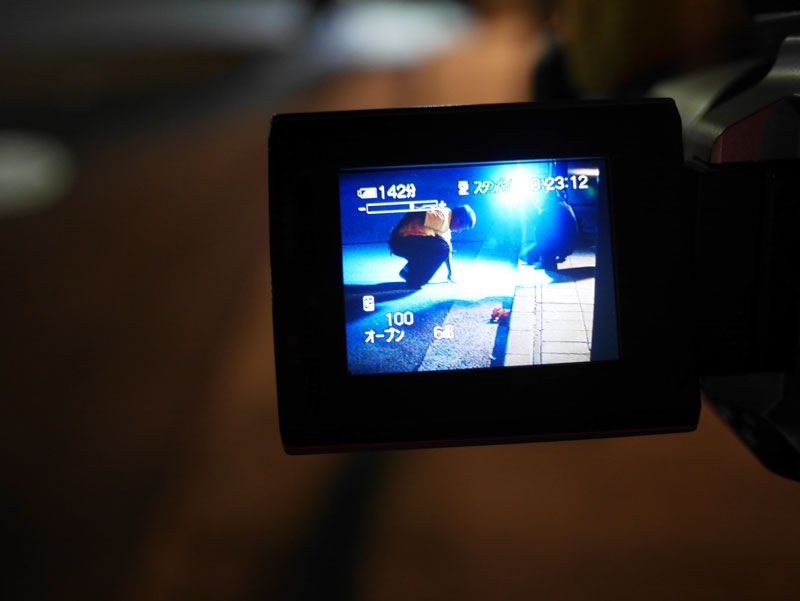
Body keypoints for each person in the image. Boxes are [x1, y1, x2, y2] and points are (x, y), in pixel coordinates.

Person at [388, 204, 476, 288]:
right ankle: (411, 274)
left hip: (411, 242)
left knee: (442, 247)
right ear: (458, 221)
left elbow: (447, 251)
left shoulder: (447, 224)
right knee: (440, 248)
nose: (459, 231)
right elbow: (417, 212)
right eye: (462, 227)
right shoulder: (441, 218)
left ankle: (409, 273)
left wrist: (450, 272)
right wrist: (397, 231)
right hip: (401, 241)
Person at [520, 190, 578, 271]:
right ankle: (555, 255)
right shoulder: (564, 206)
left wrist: (545, 261)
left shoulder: (545, 214)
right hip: (569, 245)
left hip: (558, 245)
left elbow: (543, 239)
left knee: (524, 256)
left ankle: (548, 261)